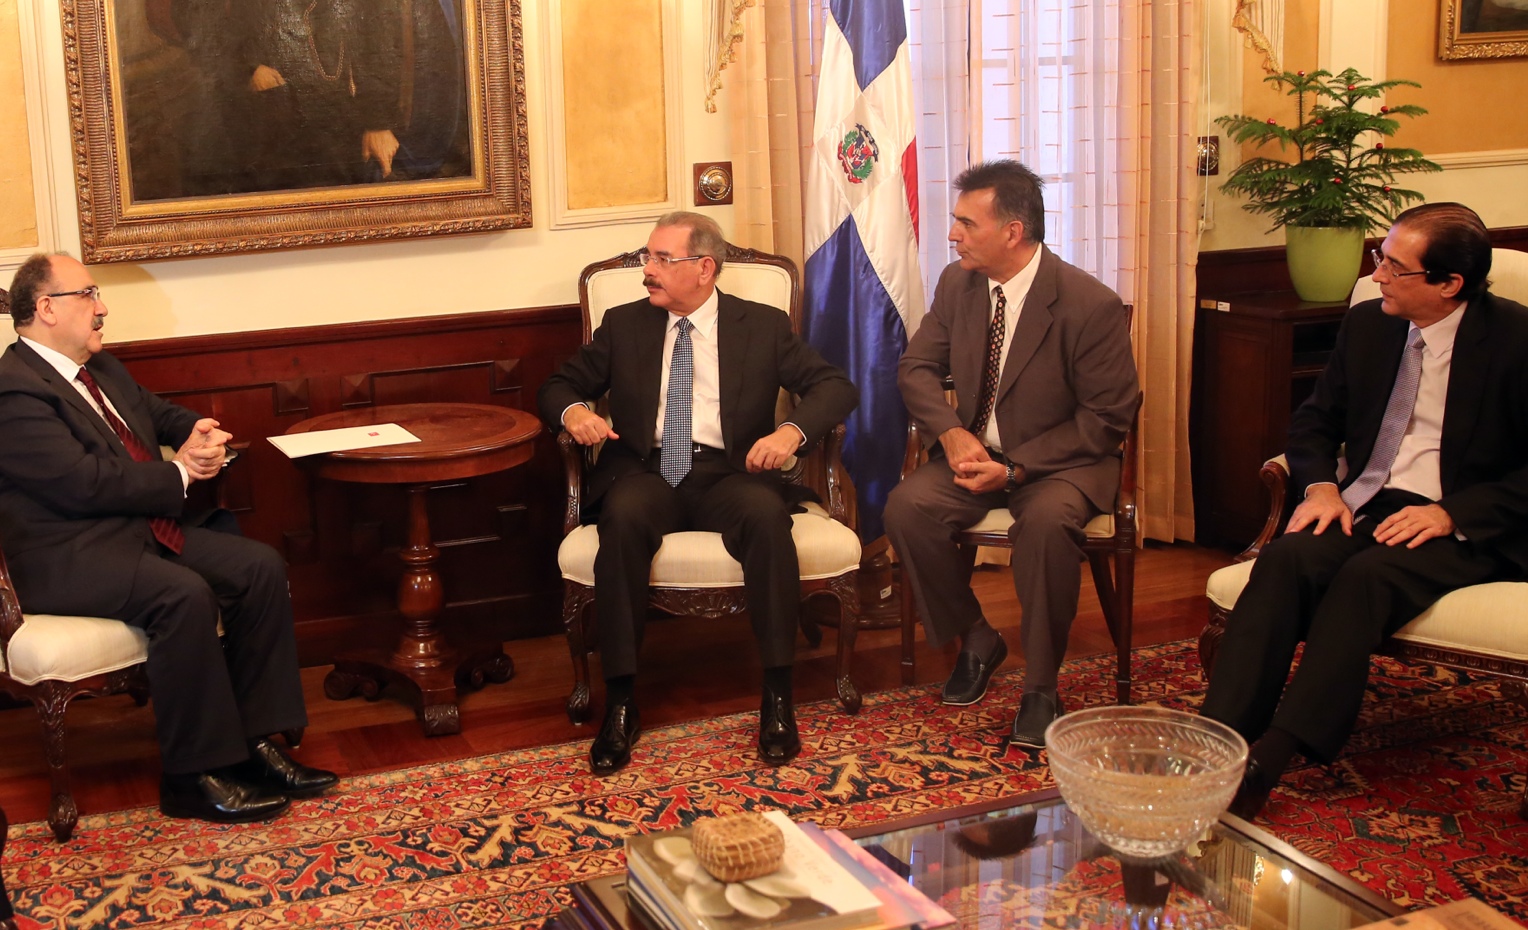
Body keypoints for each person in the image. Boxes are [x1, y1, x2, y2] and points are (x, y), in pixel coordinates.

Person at [1200, 203, 1528, 819]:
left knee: (1365, 577)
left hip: (1470, 522)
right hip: (1369, 500)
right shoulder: (1370, 325)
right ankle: (1217, 740)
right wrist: (1320, 487)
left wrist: (1452, 514)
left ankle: (1272, 757)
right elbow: (1314, 421)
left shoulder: (1517, 340)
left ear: (1449, 283)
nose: (1375, 276)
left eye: (1394, 267)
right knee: (1288, 557)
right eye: (1381, 258)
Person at [0, 254, 337, 823]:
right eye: (89, 294)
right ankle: (191, 777)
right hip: (64, 556)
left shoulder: (98, 368)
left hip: (130, 533)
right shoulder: (14, 391)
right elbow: (82, 484)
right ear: (47, 308)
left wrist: (197, 433)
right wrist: (179, 472)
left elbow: (155, 414)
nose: (103, 307)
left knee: (257, 567)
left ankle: (254, 745)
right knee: (182, 595)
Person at [537, 212, 859, 776]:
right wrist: (575, 413)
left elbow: (834, 386)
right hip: (646, 471)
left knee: (767, 517)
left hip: (729, 472)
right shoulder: (625, 323)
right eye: (648, 257)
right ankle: (620, 703)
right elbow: (558, 385)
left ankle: (777, 698)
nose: (648, 270)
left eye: (662, 259)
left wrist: (790, 432)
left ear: (705, 268)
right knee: (622, 518)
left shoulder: (761, 325)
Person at [885, 160, 1139, 748]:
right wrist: (951, 433)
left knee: (1046, 526)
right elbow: (916, 367)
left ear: (1013, 232)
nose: (953, 235)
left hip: (1060, 465)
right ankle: (976, 636)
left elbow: (1105, 420)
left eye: (966, 224)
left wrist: (1017, 468)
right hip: (977, 453)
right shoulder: (958, 285)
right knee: (906, 508)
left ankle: (1041, 687)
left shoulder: (1089, 304)